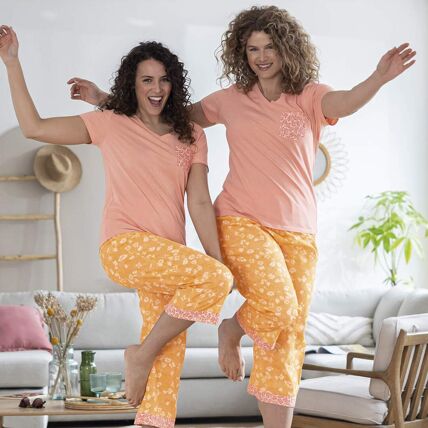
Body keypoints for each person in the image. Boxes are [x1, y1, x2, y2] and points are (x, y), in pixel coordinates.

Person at [66, 5, 416, 428]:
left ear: (287, 49)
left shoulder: (310, 96)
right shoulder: (230, 100)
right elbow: (162, 116)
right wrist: (105, 100)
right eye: (252, 49)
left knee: (288, 334)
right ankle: (231, 329)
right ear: (241, 53)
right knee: (279, 305)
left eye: (269, 47)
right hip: (240, 220)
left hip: (300, 231)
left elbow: (345, 101)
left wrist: (378, 78)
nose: (261, 57)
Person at [0, 25, 233, 428]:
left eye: (164, 80)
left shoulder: (192, 134)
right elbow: (35, 126)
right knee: (207, 288)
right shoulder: (110, 122)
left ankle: (149, 402)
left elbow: (198, 200)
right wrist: (12, 62)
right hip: (124, 246)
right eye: (147, 80)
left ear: (174, 84)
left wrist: (218, 262)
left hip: (168, 261)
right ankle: (139, 354)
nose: (156, 88)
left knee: (166, 372)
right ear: (133, 85)